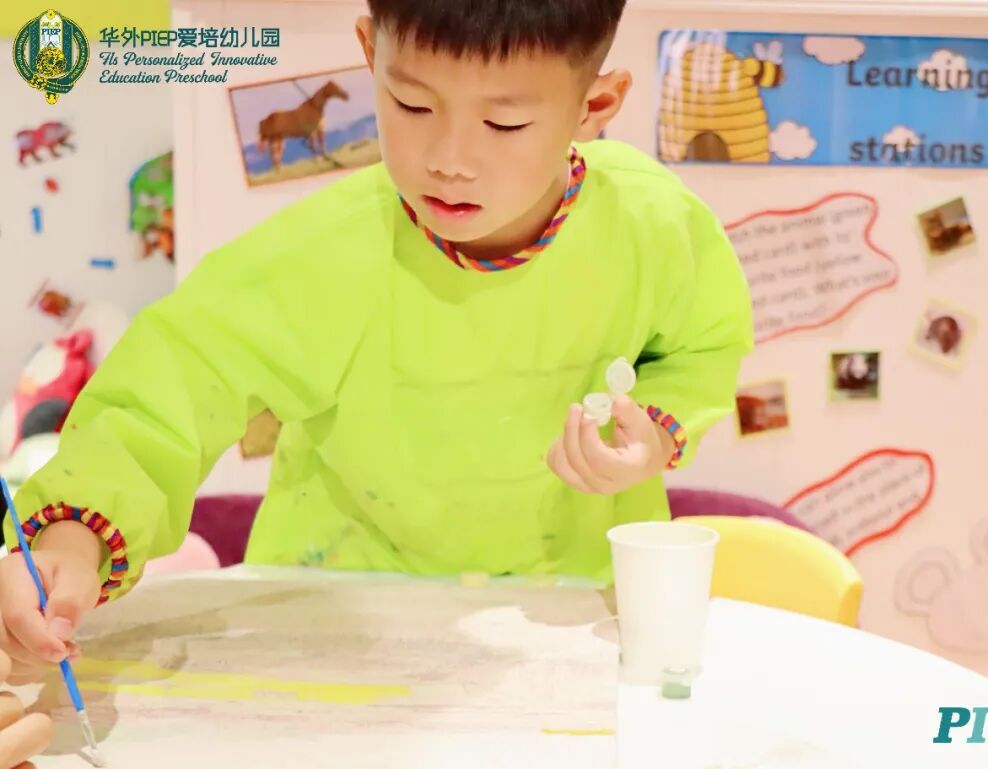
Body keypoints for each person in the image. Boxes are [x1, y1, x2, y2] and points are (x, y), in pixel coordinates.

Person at [0, 0, 752, 677]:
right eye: (411, 104)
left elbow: (703, 346)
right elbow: (176, 379)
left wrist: (655, 429)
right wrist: (75, 531)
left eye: (504, 124)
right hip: (339, 617)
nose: (448, 159)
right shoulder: (325, 252)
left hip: (568, 617)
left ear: (595, 105)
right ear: (370, 53)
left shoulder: (656, 226)